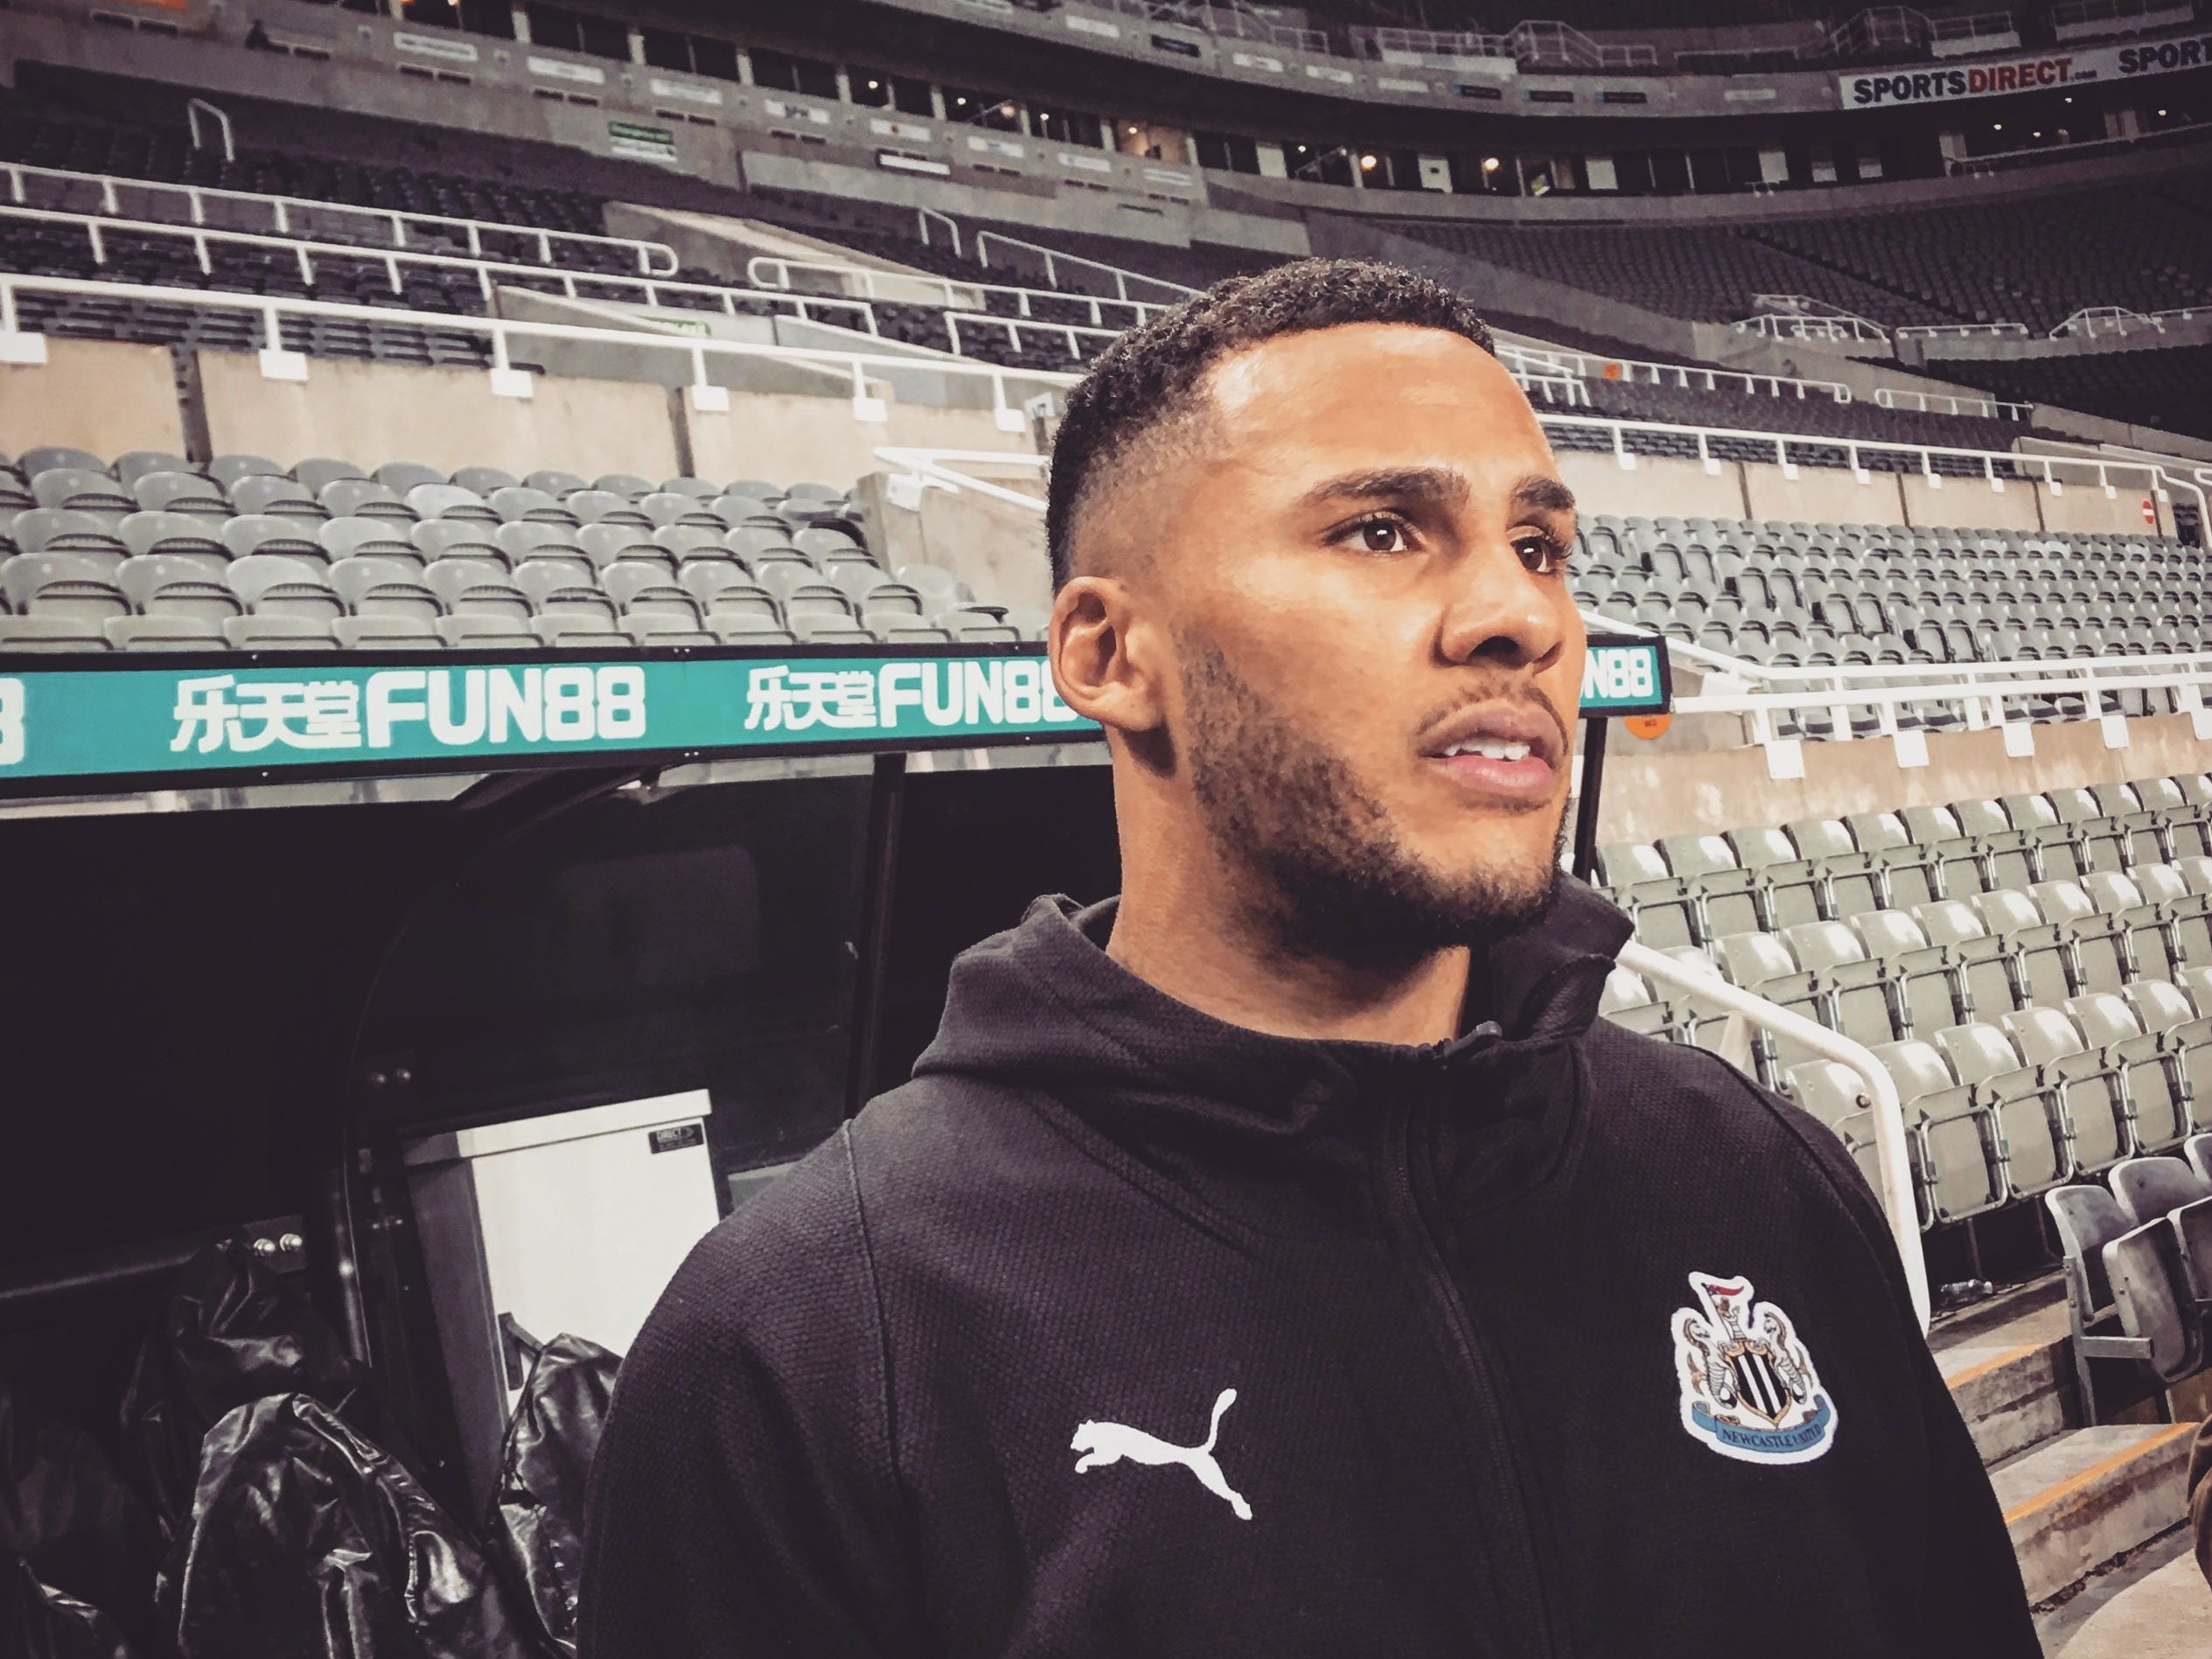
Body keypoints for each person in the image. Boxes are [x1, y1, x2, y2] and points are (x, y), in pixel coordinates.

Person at [579, 258, 2037, 1657]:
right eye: (1381, 531)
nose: (1521, 615)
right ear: (1108, 654)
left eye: (1539, 547)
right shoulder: (808, 1342)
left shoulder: (1757, 1174)